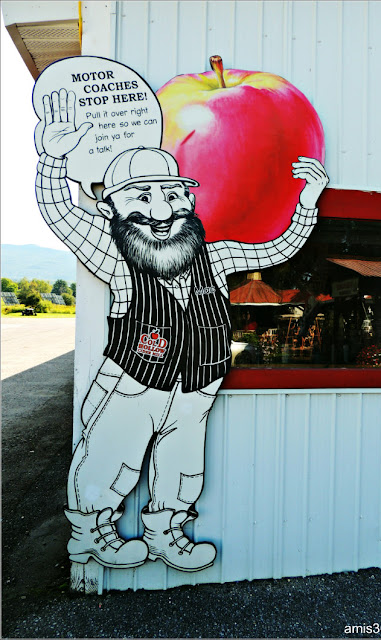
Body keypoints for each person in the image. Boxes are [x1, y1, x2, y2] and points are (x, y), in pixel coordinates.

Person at [36, 88, 329, 572]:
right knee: (112, 458)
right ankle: (91, 532)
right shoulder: (116, 257)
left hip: (197, 387)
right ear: (110, 207)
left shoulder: (213, 254)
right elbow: (61, 215)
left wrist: (307, 202)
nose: (160, 208)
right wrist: (51, 160)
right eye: (141, 196)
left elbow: (276, 250)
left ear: (187, 200)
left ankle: (167, 531)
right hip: (133, 383)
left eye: (171, 194)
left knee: (182, 466)